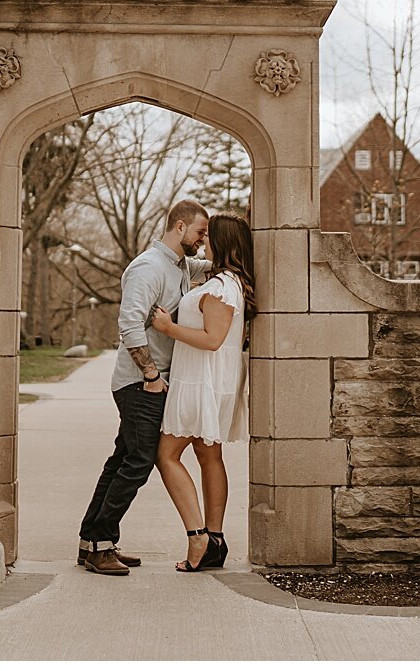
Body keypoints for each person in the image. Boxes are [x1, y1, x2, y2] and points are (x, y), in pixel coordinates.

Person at [77, 199, 211, 576]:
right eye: (200, 232)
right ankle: (101, 546)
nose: (203, 240)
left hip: (149, 383)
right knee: (137, 463)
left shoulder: (181, 265)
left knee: (121, 459)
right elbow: (130, 326)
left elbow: (217, 263)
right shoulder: (148, 268)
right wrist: (151, 376)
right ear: (180, 226)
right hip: (140, 384)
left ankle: (92, 542)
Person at [150, 212, 256, 572]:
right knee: (209, 456)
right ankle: (215, 541)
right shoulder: (229, 282)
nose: (204, 241)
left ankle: (199, 535)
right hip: (212, 381)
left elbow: (212, 340)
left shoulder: (221, 288)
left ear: (223, 242)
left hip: (204, 382)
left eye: (210, 236)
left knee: (166, 455)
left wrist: (167, 326)